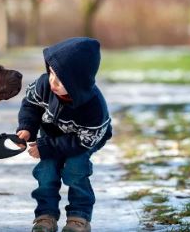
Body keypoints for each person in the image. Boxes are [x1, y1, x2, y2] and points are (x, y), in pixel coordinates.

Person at [16, 37, 113, 232]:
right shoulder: (44, 85)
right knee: (47, 170)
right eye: (51, 73)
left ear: (78, 81)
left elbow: (83, 141)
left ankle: (79, 217)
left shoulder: (94, 107)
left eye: (61, 79)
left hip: (83, 140)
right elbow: (31, 105)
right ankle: (45, 216)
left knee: (75, 169)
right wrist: (27, 127)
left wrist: (46, 147)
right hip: (51, 134)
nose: (53, 81)